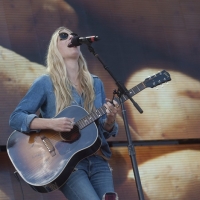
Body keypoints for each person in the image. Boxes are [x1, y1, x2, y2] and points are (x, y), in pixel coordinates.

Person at [9, 26, 119, 200]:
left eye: (74, 35)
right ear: (55, 48)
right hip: (66, 163)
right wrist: (51, 123)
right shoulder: (45, 82)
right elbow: (16, 118)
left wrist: (110, 119)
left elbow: (102, 130)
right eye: (63, 36)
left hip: (98, 160)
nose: (72, 37)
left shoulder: (95, 83)